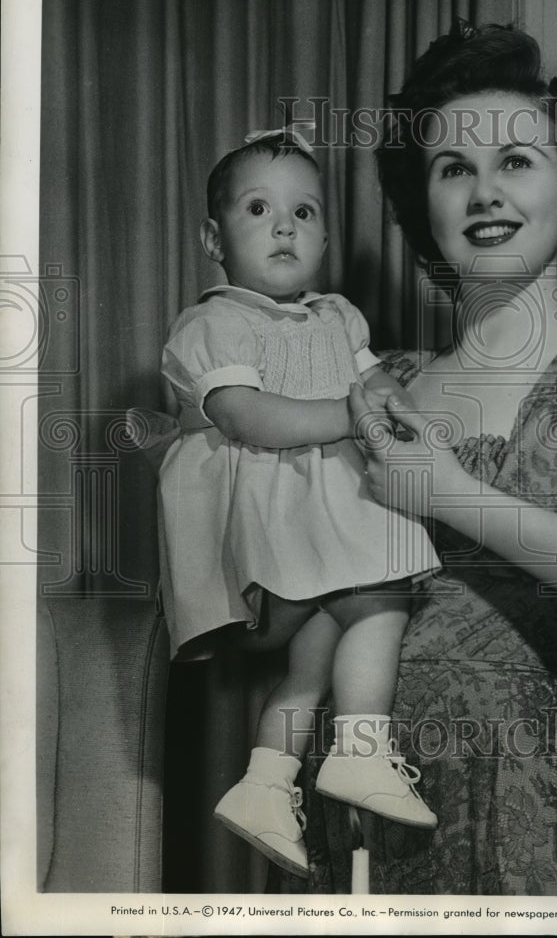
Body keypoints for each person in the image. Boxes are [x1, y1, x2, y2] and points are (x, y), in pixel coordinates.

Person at [284, 22, 557, 895]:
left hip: (509, 776)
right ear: (426, 206)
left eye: (516, 161)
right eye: (454, 169)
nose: (484, 192)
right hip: (343, 778)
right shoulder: (377, 384)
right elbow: (287, 600)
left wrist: (448, 492)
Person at [157, 129, 440, 880]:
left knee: (315, 656)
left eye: (304, 213)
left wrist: (394, 402)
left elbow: (373, 381)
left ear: (324, 238)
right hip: (266, 512)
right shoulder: (213, 324)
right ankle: (362, 748)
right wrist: (350, 415)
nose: (285, 227)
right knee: (382, 596)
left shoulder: (338, 317)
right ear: (213, 240)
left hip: (316, 518)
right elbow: (248, 417)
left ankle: (263, 784)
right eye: (259, 209)